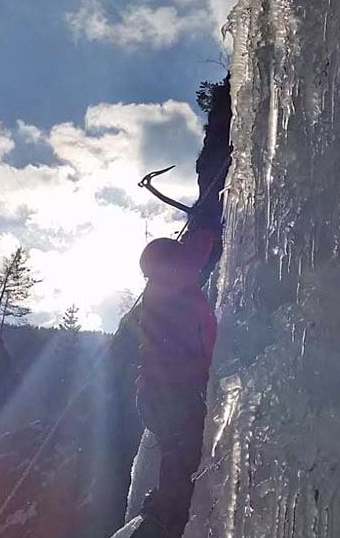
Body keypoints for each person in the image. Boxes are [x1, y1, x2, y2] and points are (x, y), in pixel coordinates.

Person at [133, 225, 218, 538]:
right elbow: (193, 259)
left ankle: (161, 514)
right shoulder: (171, 290)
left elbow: (191, 259)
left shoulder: (163, 289)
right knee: (186, 454)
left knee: (181, 455)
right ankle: (164, 521)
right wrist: (207, 225)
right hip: (167, 393)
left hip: (159, 394)